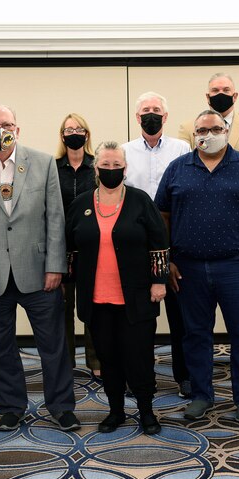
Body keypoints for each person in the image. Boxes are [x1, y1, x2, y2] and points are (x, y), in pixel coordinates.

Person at [0, 105, 80, 432]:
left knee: (54, 345)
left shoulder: (42, 161)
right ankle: (11, 406)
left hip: (39, 272)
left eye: (6, 124)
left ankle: (62, 407)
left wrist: (55, 266)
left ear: (17, 129)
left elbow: (55, 217)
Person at [155, 109, 239, 424]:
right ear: (194, 134)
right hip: (189, 266)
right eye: (201, 130)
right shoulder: (177, 168)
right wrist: (166, 260)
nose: (206, 136)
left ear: (226, 131)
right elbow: (163, 218)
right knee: (195, 335)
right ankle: (201, 395)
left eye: (213, 129)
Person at [66, 141, 169, 435]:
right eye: (105, 165)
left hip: (136, 297)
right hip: (96, 299)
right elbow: (70, 247)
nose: (111, 170)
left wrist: (159, 281)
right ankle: (115, 412)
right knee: (108, 359)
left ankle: (147, 412)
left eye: (117, 165)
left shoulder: (139, 200)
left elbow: (158, 243)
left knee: (139, 357)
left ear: (125, 168)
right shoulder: (82, 203)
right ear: (95, 168)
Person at [121, 91, 192, 398]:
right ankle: (136, 378)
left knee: (182, 317)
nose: (151, 114)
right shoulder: (124, 151)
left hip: (175, 239)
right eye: (145, 110)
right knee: (137, 319)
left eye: (157, 110)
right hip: (137, 242)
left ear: (166, 116)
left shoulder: (182, 148)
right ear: (137, 118)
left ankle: (185, 377)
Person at [55, 113, 102, 380]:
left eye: (79, 128)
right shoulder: (52, 167)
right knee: (62, 308)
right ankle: (66, 362)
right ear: (62, 135)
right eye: (68, 129)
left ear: (87, 133)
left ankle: (95, 359)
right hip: (60, 247)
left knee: (91, 306)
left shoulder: (96, 166)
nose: (73, 133)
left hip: (91, 248)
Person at [178, 73, 239, 161]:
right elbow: (183, 165)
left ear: (235, 96)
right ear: (208, 97)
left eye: (226, 90)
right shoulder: (188, 128)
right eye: (215, 90)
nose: (221, 94)